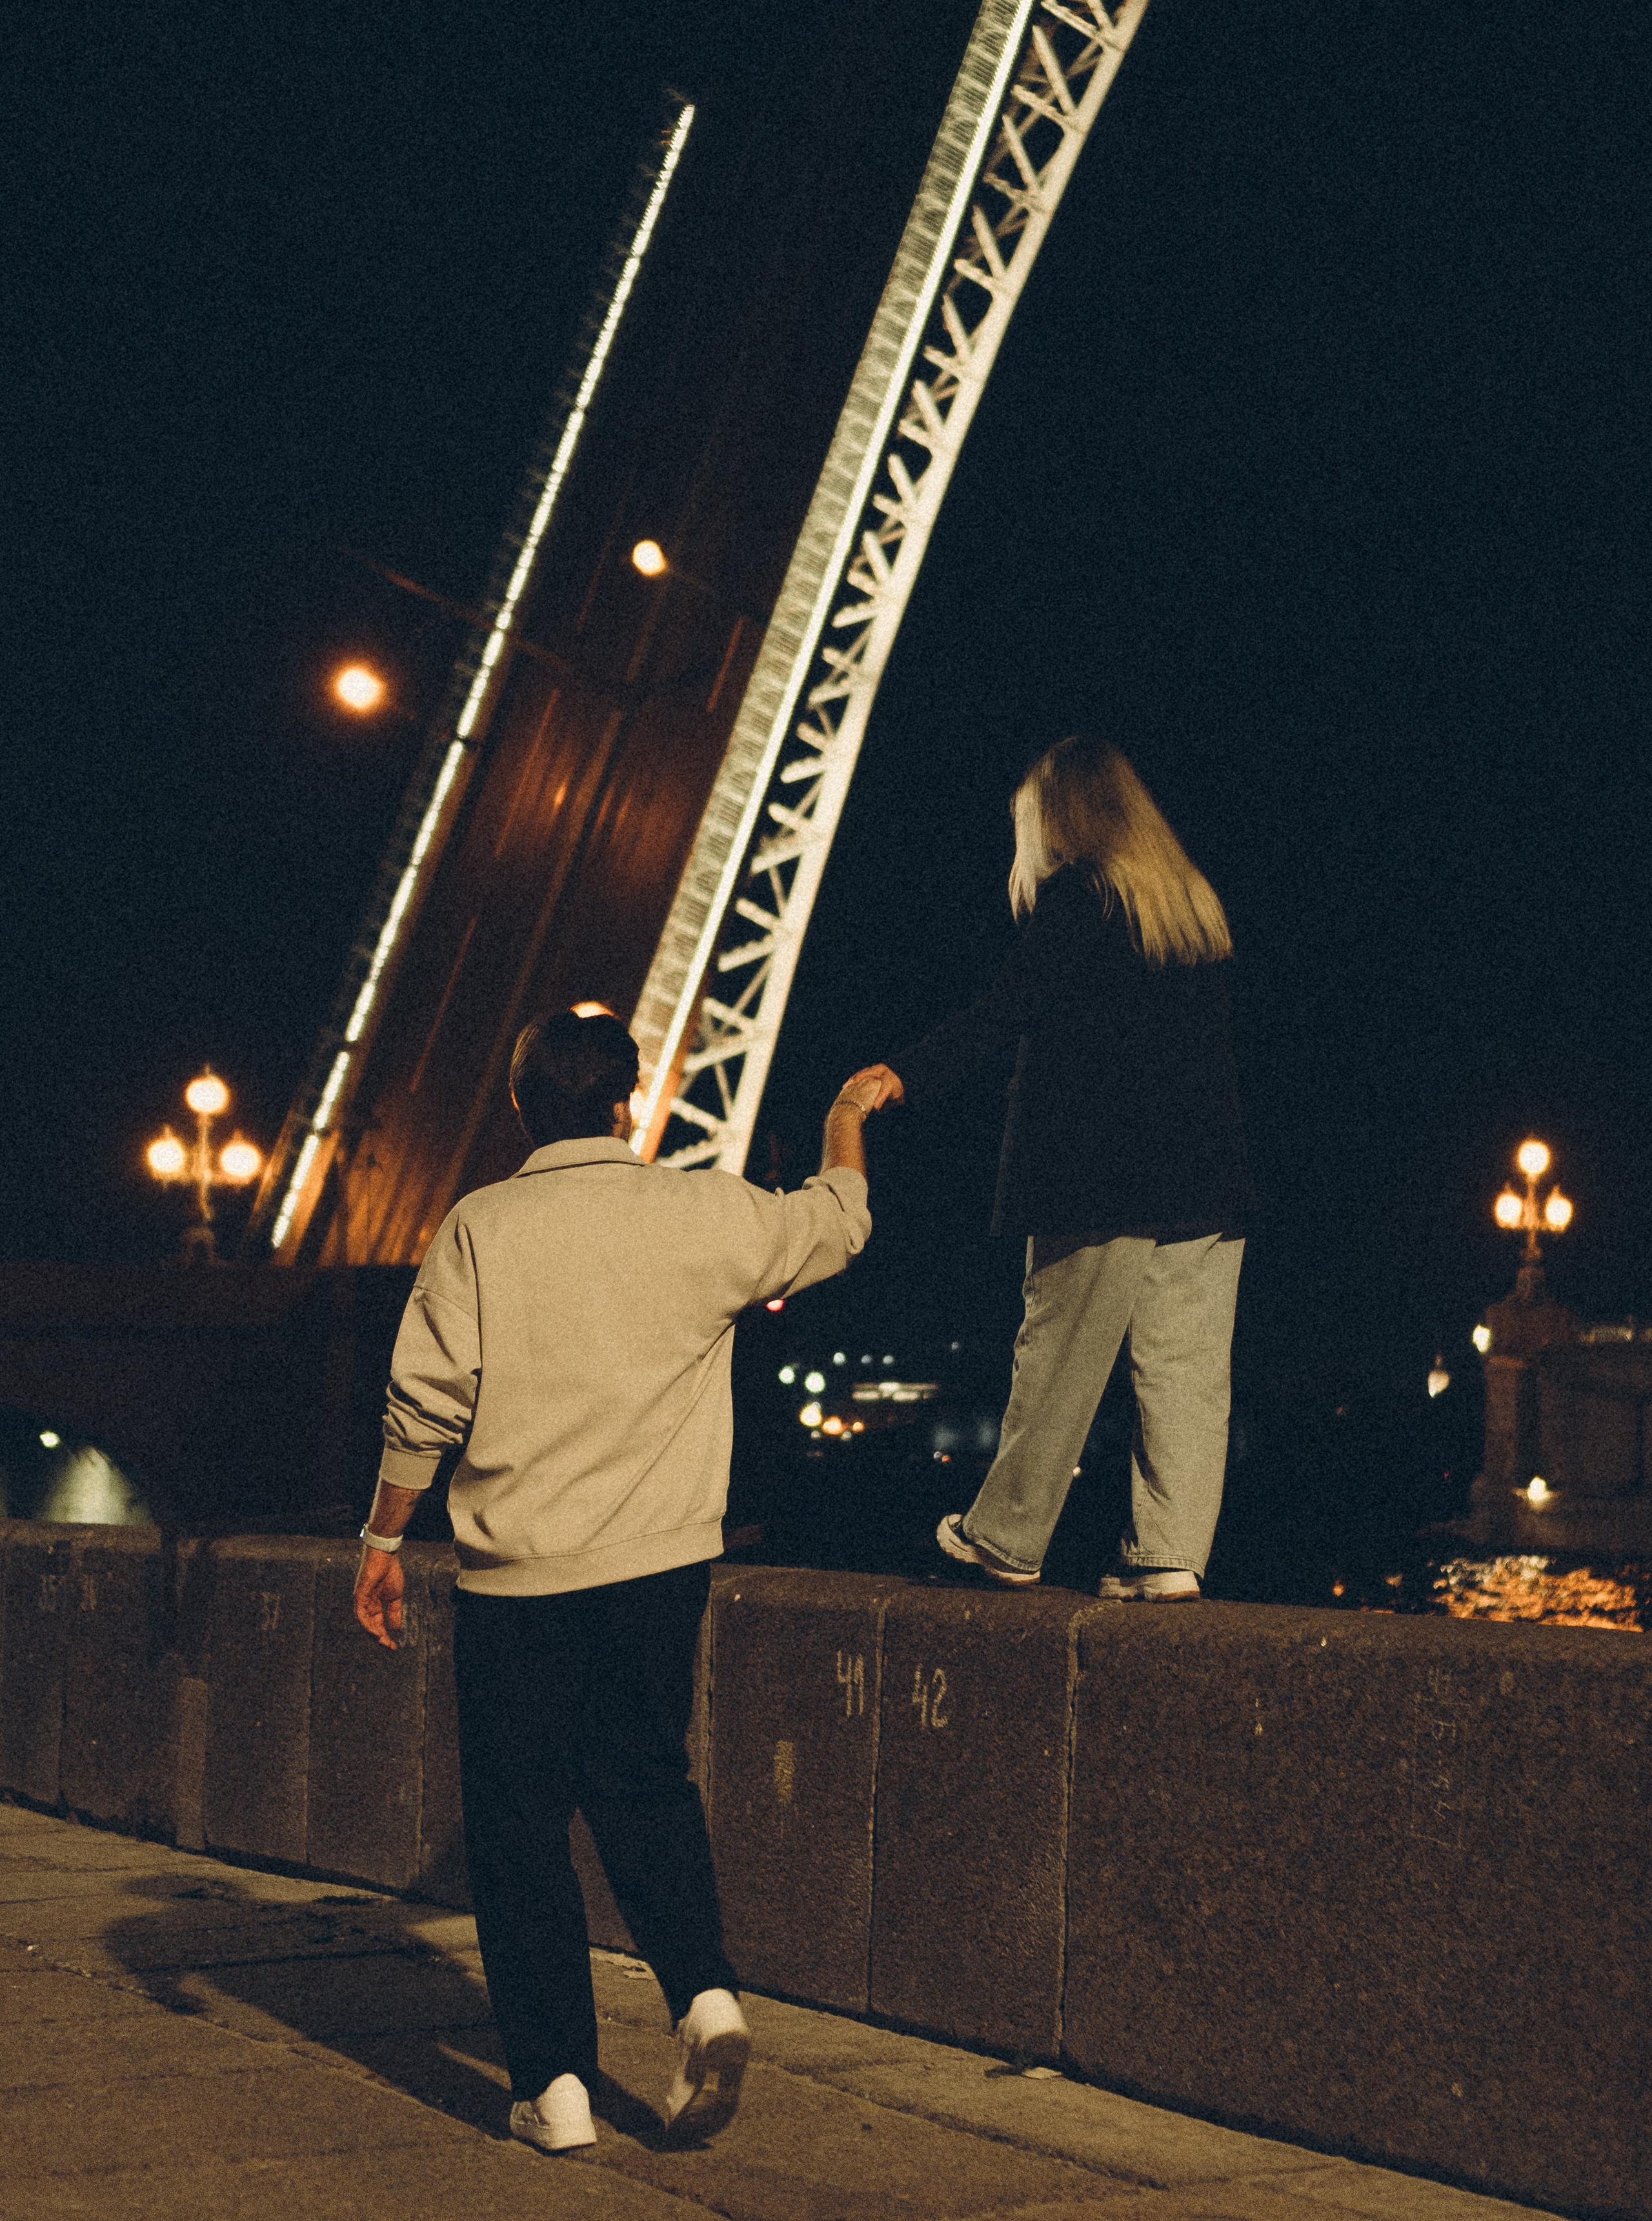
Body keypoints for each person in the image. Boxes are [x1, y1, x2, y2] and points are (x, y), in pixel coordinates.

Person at [352, 1010, 878, 2153]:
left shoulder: (480, 1227)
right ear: (628, 1103)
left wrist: (385, 1541)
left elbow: (425, 1402)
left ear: (520, 1107)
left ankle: (556, 2088)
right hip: (659, 1568)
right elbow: (839, 1226)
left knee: (520, 1823)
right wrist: (843, 1121)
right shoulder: (704, 1212)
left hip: (516, 1579)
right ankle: (704, 1997)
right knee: (646, 1781)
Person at [858, 735, 1253, 1601]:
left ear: (1063, 816)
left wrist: (907, 1073)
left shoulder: (1083, 897)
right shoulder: (1188, 907)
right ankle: (1170, 1555)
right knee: (1186, 1377)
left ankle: (1005, 1537)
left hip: (1098, 1179)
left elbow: (1006, 1011)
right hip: (1207, 1185)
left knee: (1059, 1361)